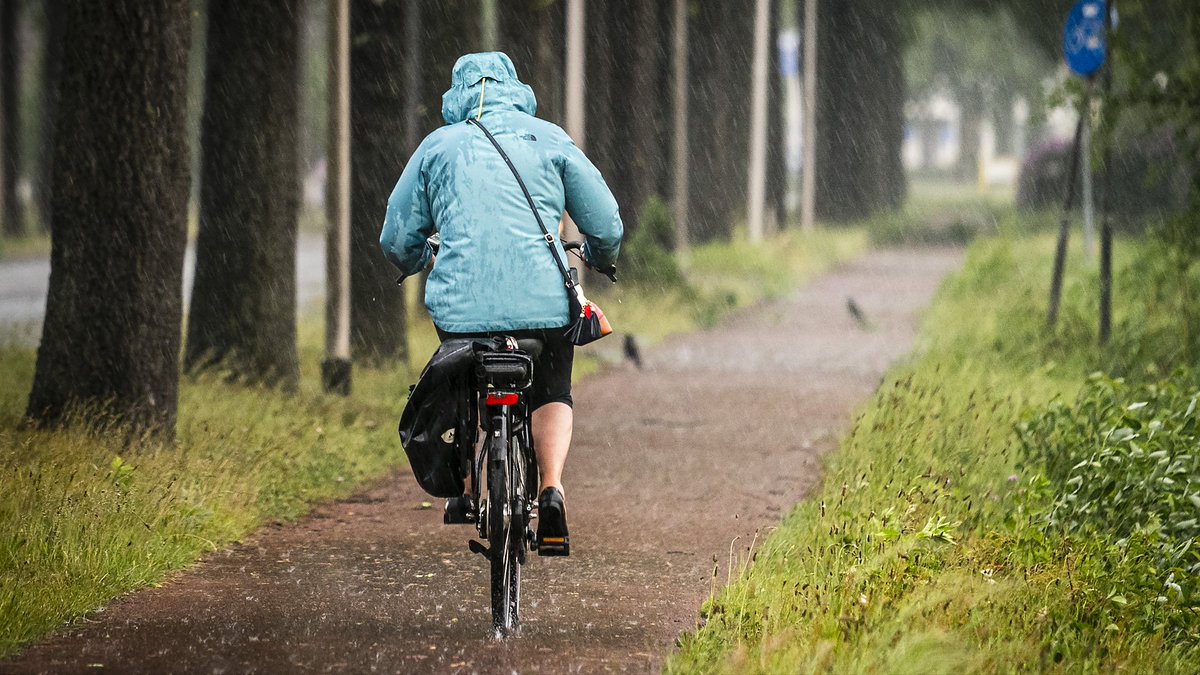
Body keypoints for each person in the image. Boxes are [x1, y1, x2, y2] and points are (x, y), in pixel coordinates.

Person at [379, 52, 623, 556]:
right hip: (543, 308)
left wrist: (418, 256)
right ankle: (551, 488)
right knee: (553, 380)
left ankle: (466, 485)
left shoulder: (437, 147)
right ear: (519, 90)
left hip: (461, 306)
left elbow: (396, 236)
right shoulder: (551, 138)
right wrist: (599, 256)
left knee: (464, 367)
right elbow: (606, 224)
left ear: (455, 95)